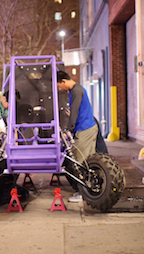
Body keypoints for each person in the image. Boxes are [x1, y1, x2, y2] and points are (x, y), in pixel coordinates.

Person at [57, 70, 99, 203]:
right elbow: (76, 110)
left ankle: (83, 193)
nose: (60, 89)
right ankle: (91, 190)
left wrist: (67, 130)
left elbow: (74, 112)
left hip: (85, 129)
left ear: (64, 81)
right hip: (88, 127)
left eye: (59, 86)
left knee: (77, 162)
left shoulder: (76, 91)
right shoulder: (75, 90)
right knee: (88, 162)